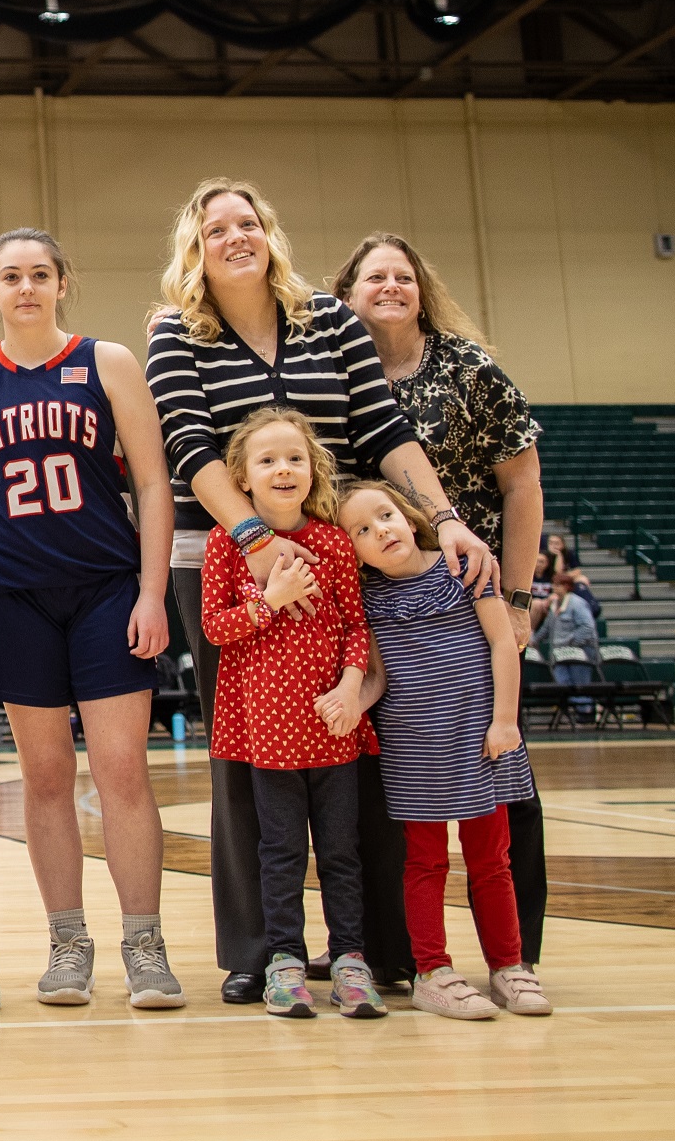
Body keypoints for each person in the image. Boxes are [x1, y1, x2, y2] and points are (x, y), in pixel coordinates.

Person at [145, 177, 494, 1005]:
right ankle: (258, 949)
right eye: (216, 228)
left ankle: (370, 945)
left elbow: (382, 428)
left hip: (338, 553)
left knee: (363, 743)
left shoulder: (329, 321)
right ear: (194, 248)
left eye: (247, 222)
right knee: (245, 757)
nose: (235, 237)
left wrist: (444, 517)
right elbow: (189, 444)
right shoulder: (175, 332)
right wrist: (258, 542)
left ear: (269, 233)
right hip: (224, 557)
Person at [0, 230, 183, 1011]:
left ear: (61, 283)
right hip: (15, 595)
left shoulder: (106, 362)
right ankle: (67, 944)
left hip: (104, 590)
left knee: (121, 771)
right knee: (45, 778)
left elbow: (151, 484)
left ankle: (144, 944)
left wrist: (151, 592)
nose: (25, 287)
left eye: (39, 274)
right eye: (10, 276)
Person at [334, 231, 552, 967]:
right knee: (388, 791)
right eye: (374, 278)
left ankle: (515, 954)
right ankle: (398, 953)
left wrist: (515, 598)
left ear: (422, 290)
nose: (391, 287)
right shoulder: (334, 370)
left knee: (501, 777)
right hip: (374, 604)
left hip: (466, 593)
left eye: (403, 276)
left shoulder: (468, 367)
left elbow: (522, 485)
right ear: (345, 296)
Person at [198, 409, 384, 1020]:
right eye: (268, 460)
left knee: (341, 853)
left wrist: (351, 688)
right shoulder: (224, 543)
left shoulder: (333, 542)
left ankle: (351, 959)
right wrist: (270, 602)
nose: (284, 469)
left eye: (295, 458)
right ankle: (284, 961)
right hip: (268, 736)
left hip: (333, 730)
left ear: (313, 469)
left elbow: (354, 627)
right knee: (280, 852)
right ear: (242, 478)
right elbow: (214, 628)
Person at [341, 483, 549, 1019]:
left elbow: (503, 644)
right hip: (414, 750)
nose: (380, 530)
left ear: (410, 518)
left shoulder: (464, 570)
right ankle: (432, 972)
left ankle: (509, 966)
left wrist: (505, 720)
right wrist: (348, 704)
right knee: (425, 863)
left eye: (385, 515)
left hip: (480, 742)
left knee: (492, 861)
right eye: (361, 530)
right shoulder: (365, 599)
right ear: (353, 551)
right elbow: (377, 677)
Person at [539, 571, 602, 719]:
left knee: (580, 686)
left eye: (558, 585)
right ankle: (582, 711)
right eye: (553, 584)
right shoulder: (554, 604)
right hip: (560, 653)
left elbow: (588, 627)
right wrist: (533, 640)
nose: (554, 587)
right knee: (562, 683)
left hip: (580, 652)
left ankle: (586, 714)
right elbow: (547, 627)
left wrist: (573, 643)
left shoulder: (577, 603)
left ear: (567, 586)